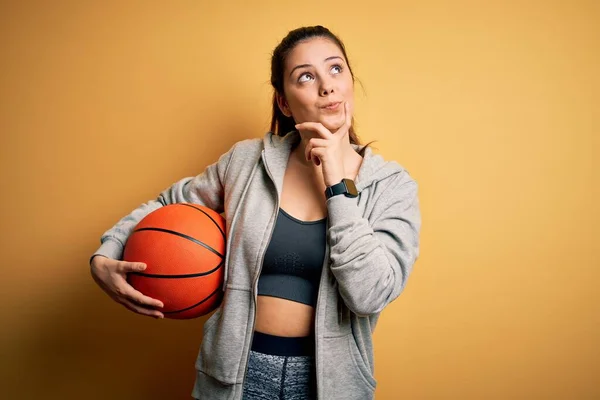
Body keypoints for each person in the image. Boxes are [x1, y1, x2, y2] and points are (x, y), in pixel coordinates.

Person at [90, 25, 421, 400]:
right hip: (235, 376)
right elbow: (168, 204)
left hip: (329, 386)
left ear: (349, 81)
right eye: (306, 76)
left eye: (335, 69)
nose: (326, 86)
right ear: (284, 102)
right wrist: (107, 251)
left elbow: (370, 294)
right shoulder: (247, 162)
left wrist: (337, 185)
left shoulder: (393, 186)